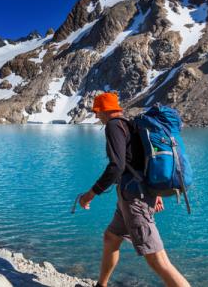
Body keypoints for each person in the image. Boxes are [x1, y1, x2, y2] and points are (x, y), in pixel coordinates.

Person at [79, 92, 189, 287]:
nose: (97, 116)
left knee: (157, 259)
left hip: (133, 199)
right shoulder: (129, 125)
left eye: (97, 111)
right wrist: (153, 191)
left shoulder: (114, 126)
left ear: (105, 110)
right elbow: (141, 162)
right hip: (131, 195)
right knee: (111, 238)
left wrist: (91, 194)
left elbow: (117, 166)